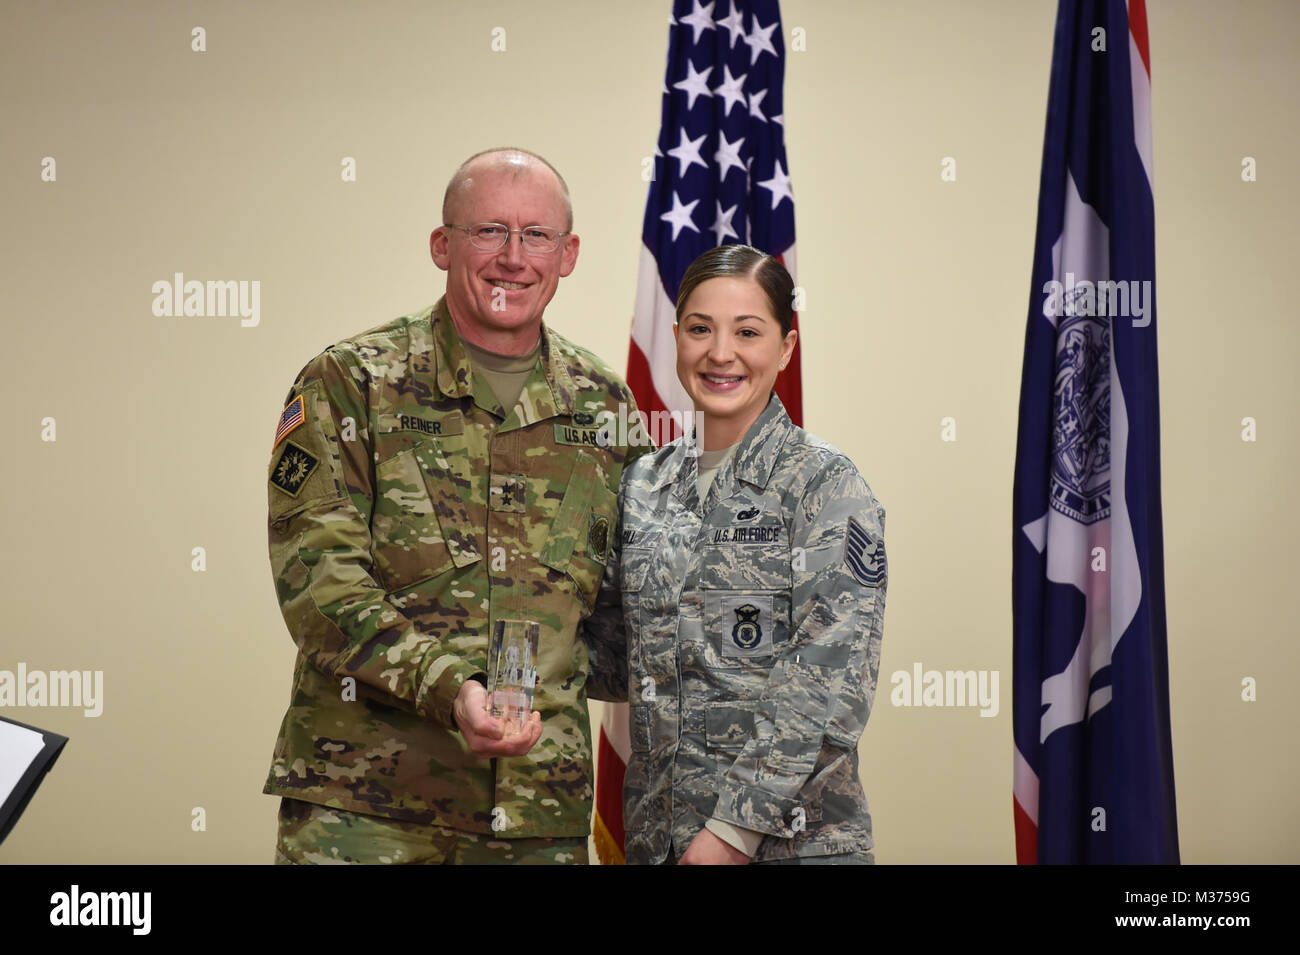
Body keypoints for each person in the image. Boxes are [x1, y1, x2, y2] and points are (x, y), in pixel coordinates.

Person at [264, 147, 647, 864]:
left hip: (538, 815)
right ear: (444, 244)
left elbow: (627, 606)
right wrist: (452, 689)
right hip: (369, 811)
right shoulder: (352, 381)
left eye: (536, 235)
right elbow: (320, 584)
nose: (513, 257)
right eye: (489, 231)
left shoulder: (606, 407)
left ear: (567, 255)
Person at [585, 244, 888, 865]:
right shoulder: (643, 485)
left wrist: (733, 833)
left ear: (785, 347)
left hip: (788, 847)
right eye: (700, 329)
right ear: (674, 338)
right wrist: (500, 660)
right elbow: (621, 657)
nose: (720, 353)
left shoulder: (825, 486)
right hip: (659, 842)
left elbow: (829, 683)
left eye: (747, 331)